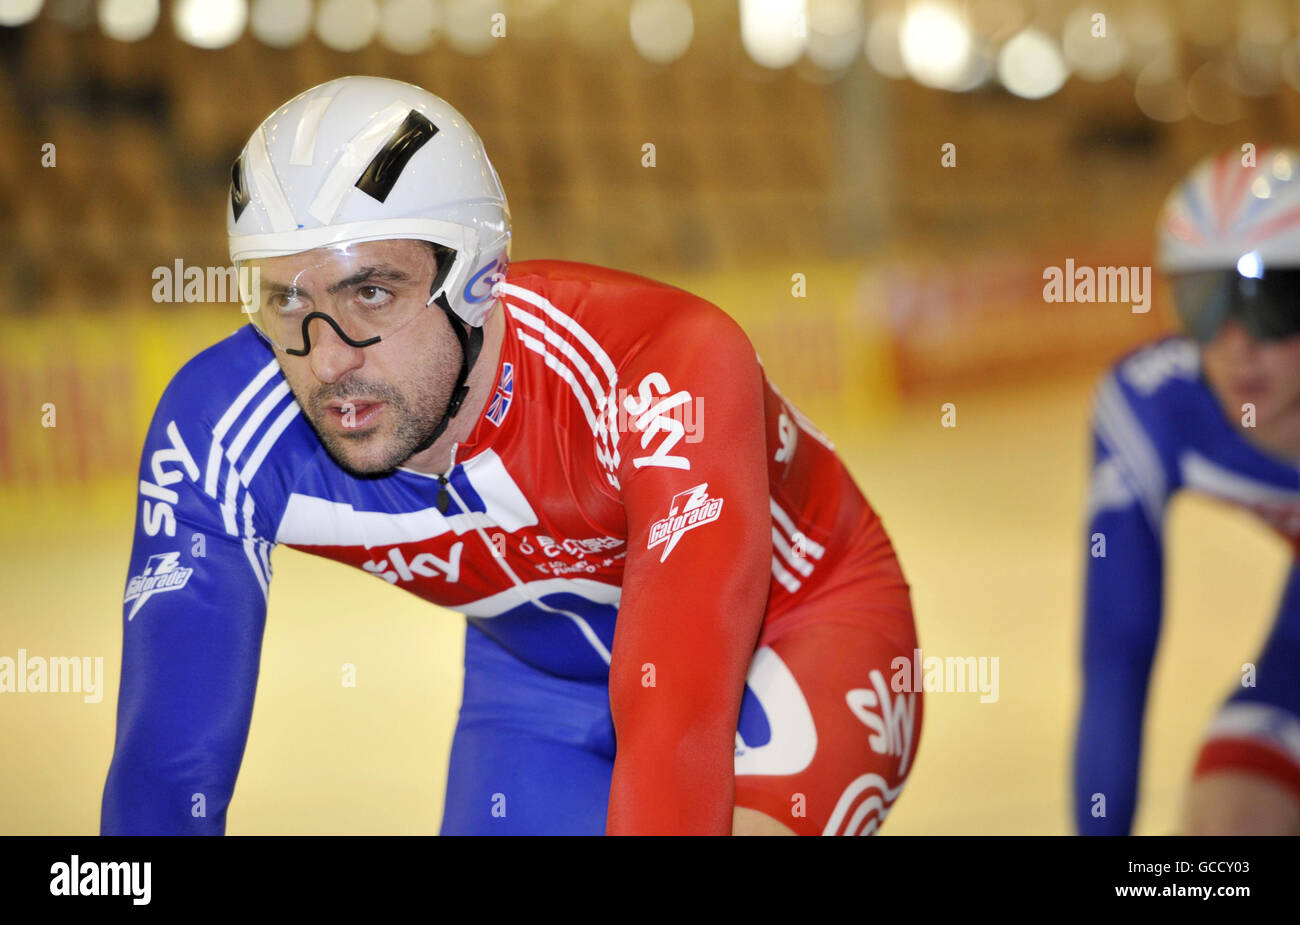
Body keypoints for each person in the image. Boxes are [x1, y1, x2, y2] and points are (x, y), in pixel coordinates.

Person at [100, 76, 920, 836]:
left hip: (789, 635)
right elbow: (166, 775)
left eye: (370, 293)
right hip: (533, 676)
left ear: (479, 280)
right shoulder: (220, 429)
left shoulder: (664, 371)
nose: (327, 359)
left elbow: (677, 734)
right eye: (287, 299)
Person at [1075, 145, 1300, 836]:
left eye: (1271, 301)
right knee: (1225, 828)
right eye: (1205, 303)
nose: (1237, 344)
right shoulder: (1154, 404)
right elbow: (1117, 650)